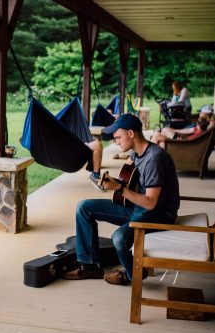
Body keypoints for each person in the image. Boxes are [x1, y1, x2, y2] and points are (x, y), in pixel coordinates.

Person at [63, 114, 180, 285]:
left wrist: (119, 188)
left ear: (131, 133)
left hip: (157, 214)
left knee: (119, 238)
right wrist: (112, 183)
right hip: (136, 207)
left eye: (118, 137)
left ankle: (132, 275)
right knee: (84, 207)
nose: (116, 142)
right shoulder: (136, 154)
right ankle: (89, 266)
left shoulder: (155, 159)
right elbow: (130, 180)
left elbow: (151, 202)